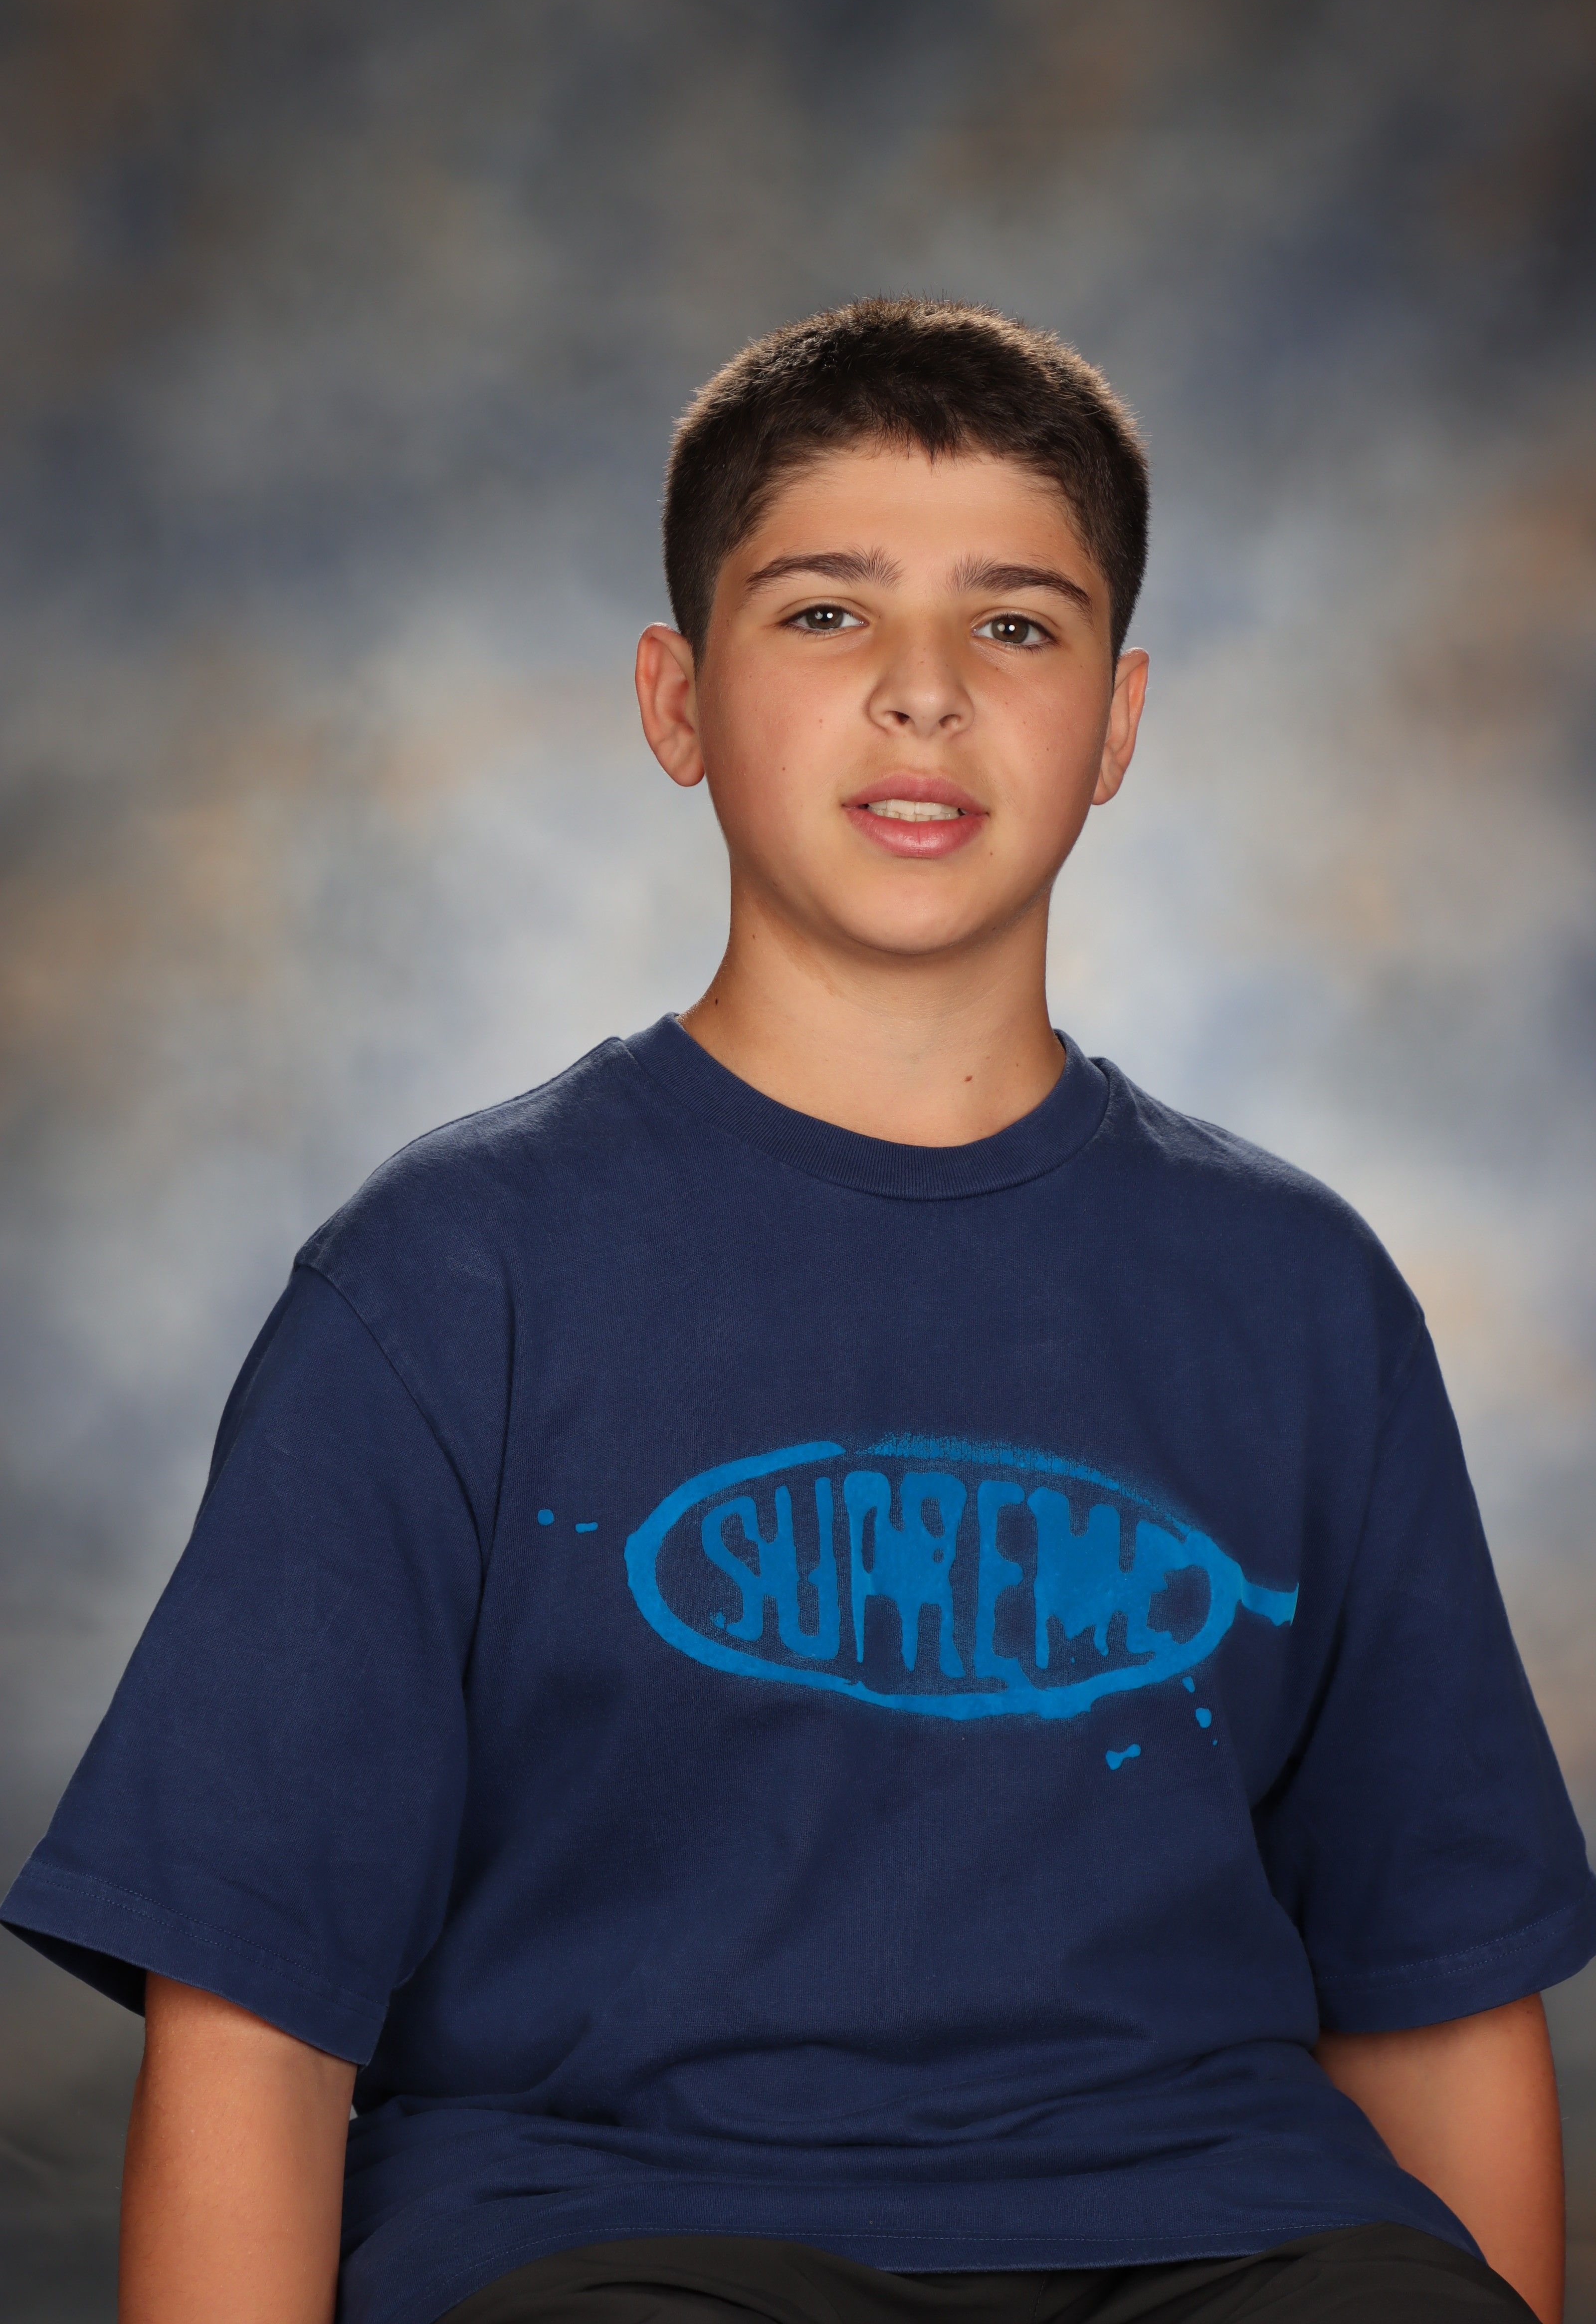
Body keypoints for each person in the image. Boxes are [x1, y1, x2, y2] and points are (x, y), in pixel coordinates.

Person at [4, 298, 1593, 2324]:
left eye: (1014, 625)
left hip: (1213, 2224)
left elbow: (1435, 1992)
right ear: (676, 700)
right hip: (615, 2232)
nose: (924, 694)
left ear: (1116, 724)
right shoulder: (448, 1277)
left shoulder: (1299, 1296)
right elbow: (253, 2009)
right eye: (826, 614)